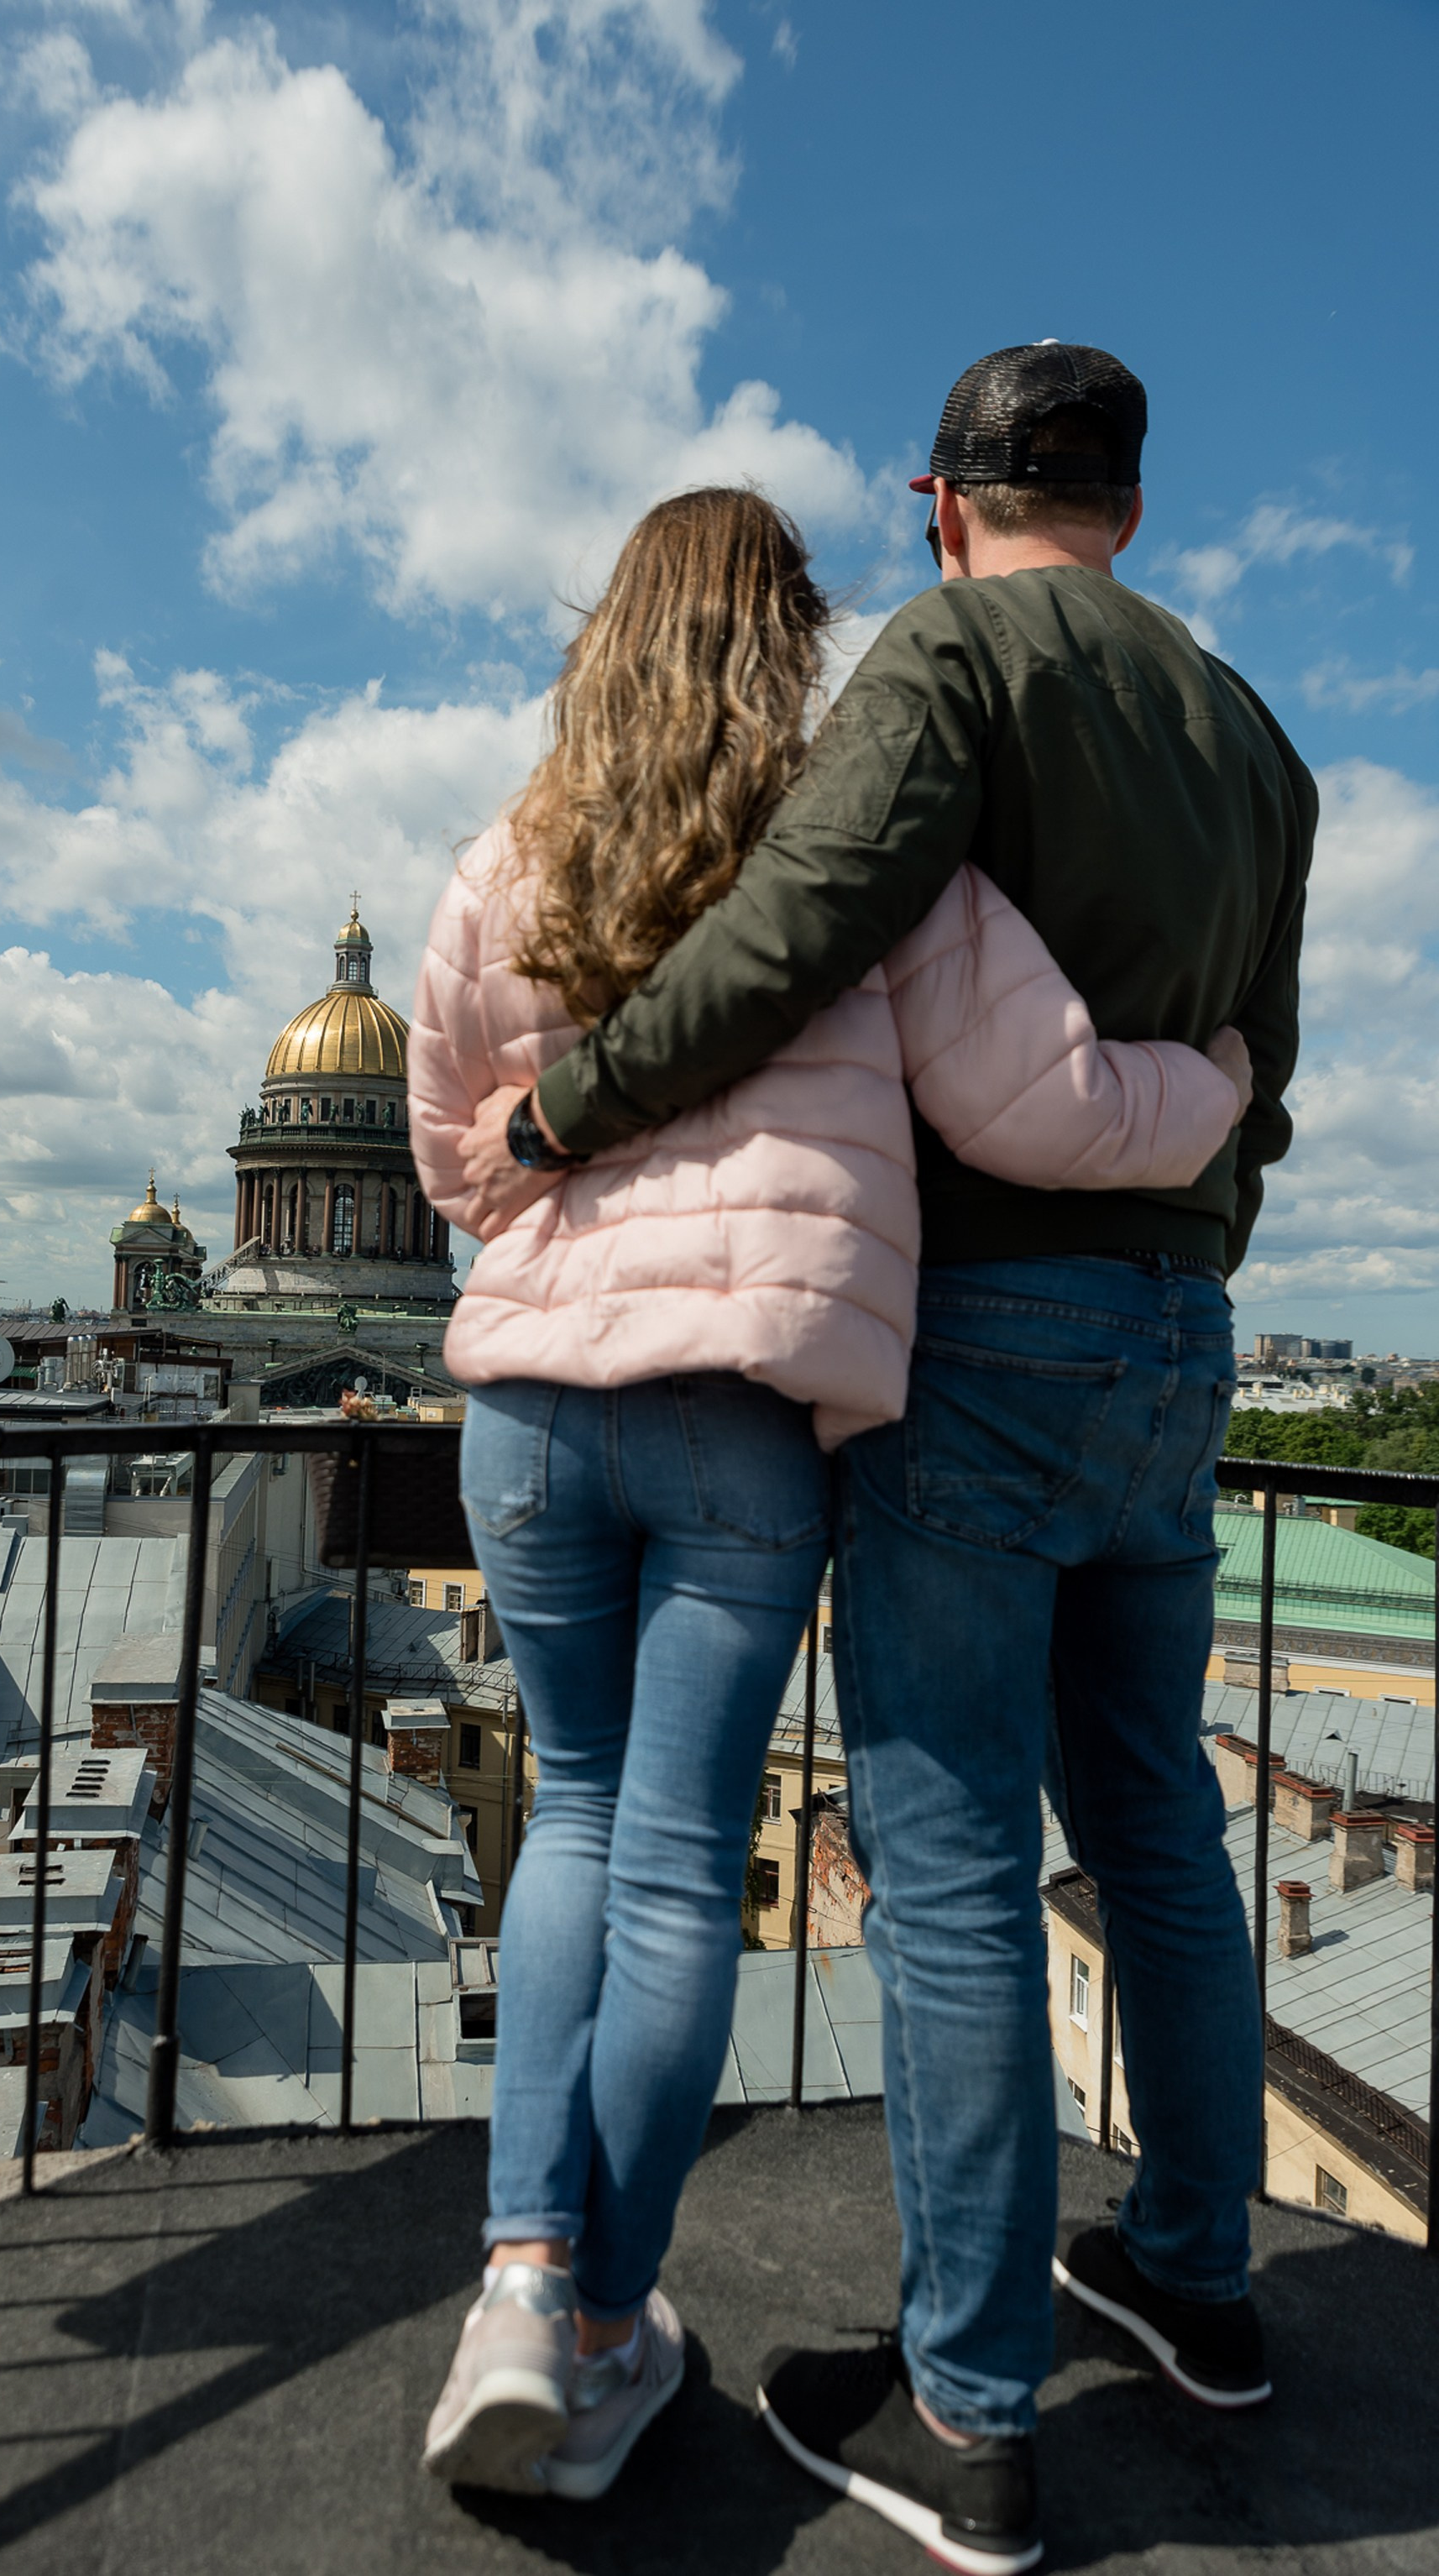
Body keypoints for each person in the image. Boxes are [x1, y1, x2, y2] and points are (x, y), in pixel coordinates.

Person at [458, 348, 1318, 2570]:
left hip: (993, 1334)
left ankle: (968, 2405)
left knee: (942, 1862)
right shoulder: (1265, 746)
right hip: (1181, 1334)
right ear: (1127, 498)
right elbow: (1265, 1075)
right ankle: (1203, 2274)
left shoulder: (955, 656)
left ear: (947, 505)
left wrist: (576, 1103)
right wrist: (1201, 1152)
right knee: (1157, 1821)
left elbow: (804, 919)